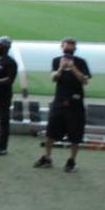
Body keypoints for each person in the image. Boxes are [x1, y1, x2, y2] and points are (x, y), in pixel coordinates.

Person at [35, 37, 90, 171]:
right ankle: (47, 157)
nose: (68, 52)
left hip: (75, 104)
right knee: (51, 132)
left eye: (71, 49)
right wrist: (61, 68)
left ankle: (71, 161)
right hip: (59, 102)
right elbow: (54, 78)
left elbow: (85, 80)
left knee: (75, 135)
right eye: (66, 49)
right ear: (62, 47)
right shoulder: (56, 61)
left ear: (75, 49)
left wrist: (73, 68)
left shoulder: (81, 62)